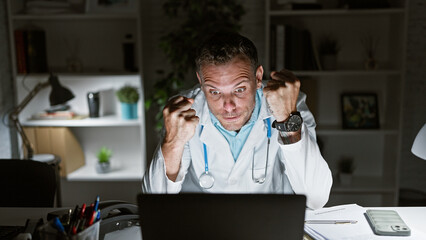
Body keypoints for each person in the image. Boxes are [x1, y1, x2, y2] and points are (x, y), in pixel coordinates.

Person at [142, 32, 332, 209]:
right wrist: (173, 142)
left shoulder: (289, 103)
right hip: (201, 228)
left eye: (239, 89)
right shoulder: (184, 112)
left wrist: (287, 120)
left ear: (258, 77)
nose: (228, 106)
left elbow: (316, 198)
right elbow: (154, 205)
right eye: (214, 92)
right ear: (200, 81)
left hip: (269, 225)